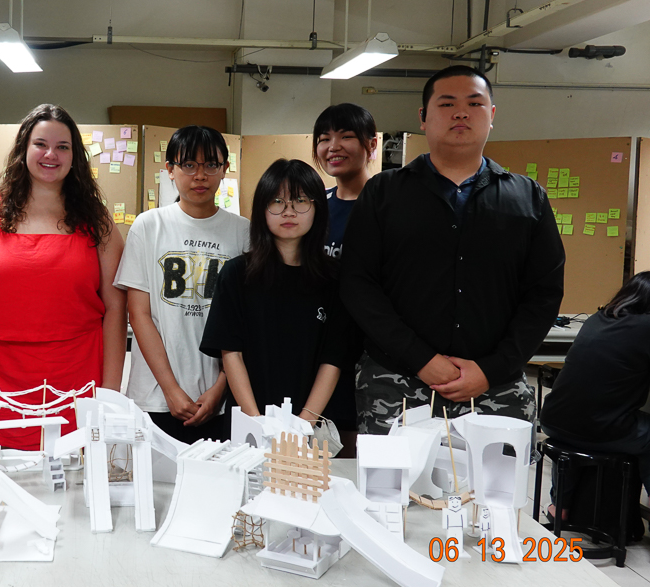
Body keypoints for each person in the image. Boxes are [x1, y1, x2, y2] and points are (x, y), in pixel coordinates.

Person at [341, 65, 565, 435]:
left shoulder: (528, 198)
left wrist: (491, 368)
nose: (461, 113)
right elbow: (358, 284)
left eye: (474, 104)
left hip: (497, 387)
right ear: (423, 117)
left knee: (494, 477)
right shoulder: (383, 193)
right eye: (447, 104)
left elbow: (543, 293)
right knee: (394, 477)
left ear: (491, 115)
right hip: (396, 383)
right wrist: (420, 358)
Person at [0, 104, 126, 450]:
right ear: (23, 150)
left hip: (76, 379)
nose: (51, 154)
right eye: (40, 144)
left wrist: (110, 391)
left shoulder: (97, 220)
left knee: (74, 473)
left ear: (74, 156)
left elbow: (116, 307)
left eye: (62, 147)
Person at [114, 125, 249, 443]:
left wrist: (220, 388)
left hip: (222, 400)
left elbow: (246, 323)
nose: (200, 175)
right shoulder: (149, 226)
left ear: (225, 169)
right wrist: (171, 390)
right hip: (155, 396)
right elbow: (139, 314)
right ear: (170, 170)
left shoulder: (243, 232)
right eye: (189, 164)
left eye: (210, 164)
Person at [200, 159, 353, 429]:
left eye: (300, 201)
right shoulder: (236, 275)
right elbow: (231, 353)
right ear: (262, 209)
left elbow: (334, 359)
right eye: (277, 202)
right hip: (249, 421)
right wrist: (257, 423)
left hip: (314, 423)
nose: (288, 212)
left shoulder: (334, 279)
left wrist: (304, 424)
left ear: (318, 207)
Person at [541, 273, 650, 497]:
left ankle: (560, 505)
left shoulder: (597, 318)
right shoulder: (646, 327)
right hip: (598, 430)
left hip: (552, 420)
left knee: (578, 420)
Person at [313, 103, 378, 454]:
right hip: (321, 344)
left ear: (372, 144)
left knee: (360, 448)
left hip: (372, 350)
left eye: (346, 136)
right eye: (324, 138)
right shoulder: (316, 208)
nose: (333, 146)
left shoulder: (386, 206)